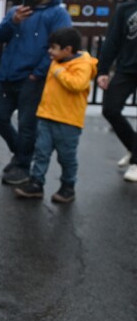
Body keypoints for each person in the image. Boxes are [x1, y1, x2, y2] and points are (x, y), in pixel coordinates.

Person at [0, 0, 72, 185]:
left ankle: (23, 165)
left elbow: (62, 46)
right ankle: (21, 155)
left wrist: (37, 75)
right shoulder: (17, 11)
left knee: (28, 126)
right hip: (7, 76)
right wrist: (13, 21)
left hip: (32, 80)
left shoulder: (58, 13)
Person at [14, 27, 97, 202]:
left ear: (67, 50)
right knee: (41, 152)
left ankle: (68, 186)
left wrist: (59, 71)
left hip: (68, 121)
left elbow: (77, 84)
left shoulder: (83, 64)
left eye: (54, 48)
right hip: (46, 116)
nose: (50, 52)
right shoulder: (56, 62)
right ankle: (36, 183)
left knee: (66, 156)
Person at [96, 0, 137, 181]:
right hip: (126, 69)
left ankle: (136, 161)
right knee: (110, 109)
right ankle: (134, 147)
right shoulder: (126, 9)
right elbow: (112, 40)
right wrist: (103, 70)